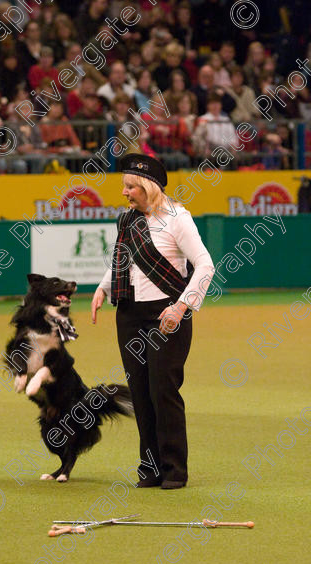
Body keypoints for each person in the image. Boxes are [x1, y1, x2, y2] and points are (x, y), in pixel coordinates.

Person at [91, 154, 214, 489]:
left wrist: (181, 307)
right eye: (125, 186)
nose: (125, 193)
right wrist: (102, 288)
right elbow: (121, 261)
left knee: (163, 390)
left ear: (149, 187)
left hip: (167, 314)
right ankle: (150, 469)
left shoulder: (178, 218)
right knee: (141, 392)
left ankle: (174, 470)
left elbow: (205, 266)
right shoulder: (127, 221)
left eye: (131, 187)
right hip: (129, 314)